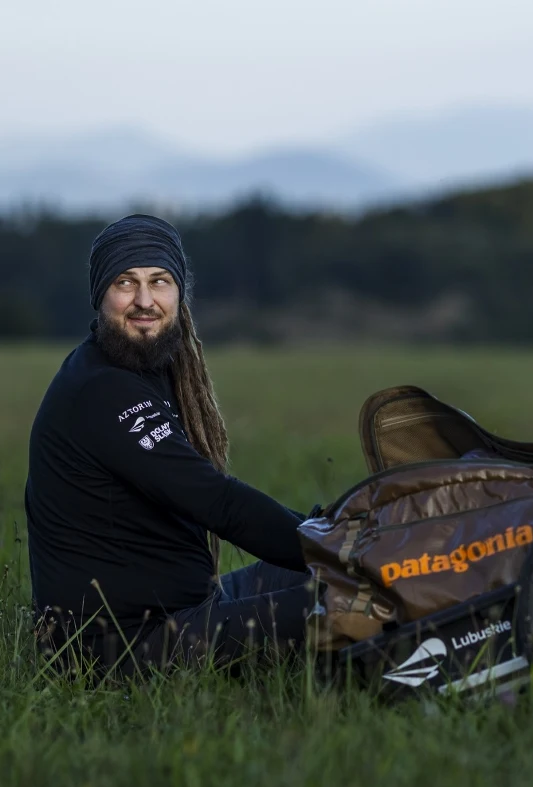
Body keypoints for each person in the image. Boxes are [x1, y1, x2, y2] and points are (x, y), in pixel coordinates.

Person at [25, 212, 318, 680]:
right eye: (126, 283)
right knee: (354, 602)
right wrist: (336, 550)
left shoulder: (145, 367)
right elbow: (216, 500)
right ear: (100, 294)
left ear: (180, 293)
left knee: (330, 570)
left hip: (186, 609)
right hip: (124, 649)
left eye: (159, 281)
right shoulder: (102, 389)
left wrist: (331, 532)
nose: (145, 300)